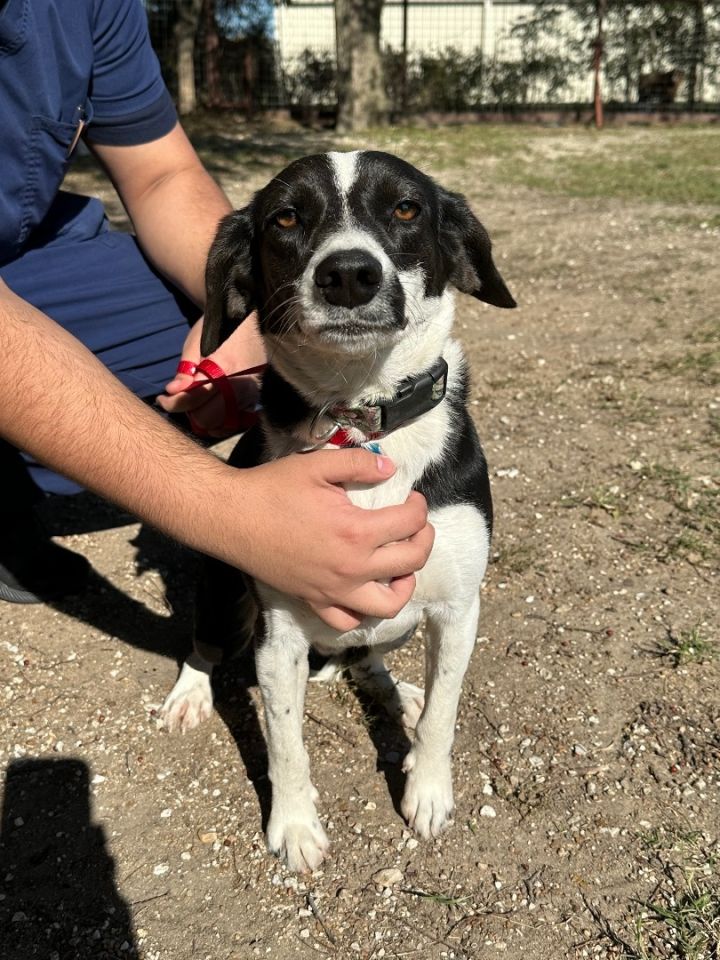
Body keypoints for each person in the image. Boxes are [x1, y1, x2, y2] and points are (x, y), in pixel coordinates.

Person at [0, 0, 433, 631]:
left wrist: (256, 321)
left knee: (218, 309)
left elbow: (161, 175)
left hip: (26, 257)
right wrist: (224, 509)